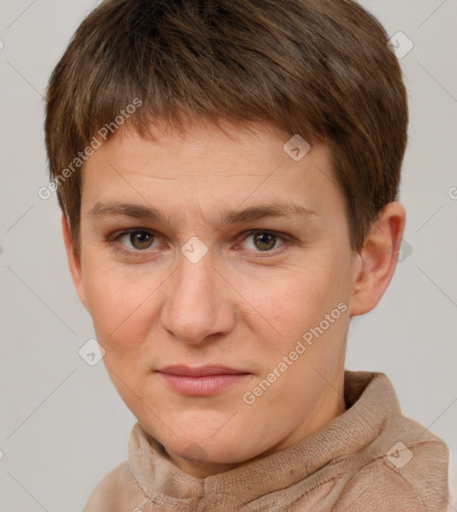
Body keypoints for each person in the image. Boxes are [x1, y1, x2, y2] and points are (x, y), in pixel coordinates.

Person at [44, 0, 450, 510]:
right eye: (139, 238)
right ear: (77, 259)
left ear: (369, 261)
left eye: (264, 239)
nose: (193, 319)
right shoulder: (113, 498)